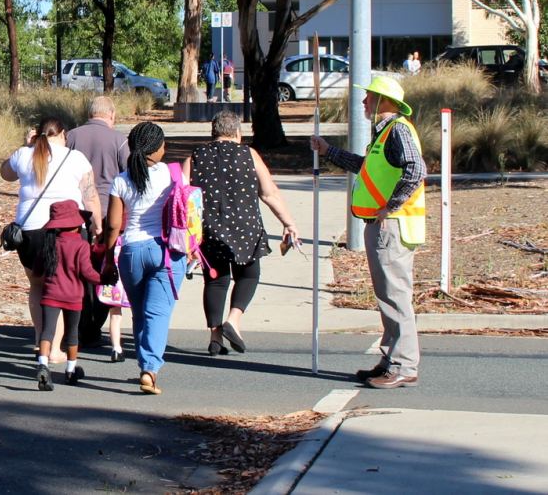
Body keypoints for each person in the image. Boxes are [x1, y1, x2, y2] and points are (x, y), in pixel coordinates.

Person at [310, 75, 427, 389]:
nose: (364, 102)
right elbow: (366, 167)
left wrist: (391, 206)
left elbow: (416, 170)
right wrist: (329, 152)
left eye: (370, 97)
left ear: (384, 102)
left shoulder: (398, 130)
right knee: (387, 296)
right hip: (382, 226)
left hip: (392, 226)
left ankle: (402, 365)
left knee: (395, 296)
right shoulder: (385, 134)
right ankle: (390, 360)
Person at [183, 111, 299, 357]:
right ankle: (233, 320)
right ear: (238, 133)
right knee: (249, 274)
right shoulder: (249, 154)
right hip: (245, 226)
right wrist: (289, 222)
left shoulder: (195, 156)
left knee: (215, 280)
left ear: (213, 132)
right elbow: (269, 193)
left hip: (209, 227)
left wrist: (187, 236)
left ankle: (215, 338)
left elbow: (184, 196)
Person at [1, 117, 102, 363]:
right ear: (63, 134)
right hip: (65, 230)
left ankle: (40, 341)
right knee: (59, 288)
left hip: (28, 230)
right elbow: (90, 197)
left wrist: (26, 145)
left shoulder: (25, 155)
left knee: (37, 285)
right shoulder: (75, 158)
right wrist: (98, 226)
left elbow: (5, 173)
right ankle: (55, 348)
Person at [104, 121, 185, 395]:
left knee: (139, 312)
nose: (165, 149)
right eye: (163, 145)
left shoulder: (122, 179)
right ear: (157, 149)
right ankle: (150, 369)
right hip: (166, 251)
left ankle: (145, 364)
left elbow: (114, 225)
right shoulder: (171, 174)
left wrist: (106, 253)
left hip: (132, 251)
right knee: (158, 313)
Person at [66, 96, 130, 358]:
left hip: (76, 211)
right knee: (104, 270)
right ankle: (94, 326)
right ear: (111, 114)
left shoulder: (70, 136)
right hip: (110, 212)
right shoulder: (119, 140)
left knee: (78, 269)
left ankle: (79, 325)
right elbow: (130, 173)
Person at [34, 200, 103, 391]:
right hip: (73, 296)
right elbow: (87, 273)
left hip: (50, 293)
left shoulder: (49, 243)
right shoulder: (80, 245)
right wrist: (103, 279)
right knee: (72, 333)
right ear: (75, 224)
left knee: (47, 331)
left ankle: (43, 364)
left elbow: (37, 271)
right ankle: (71, 370)